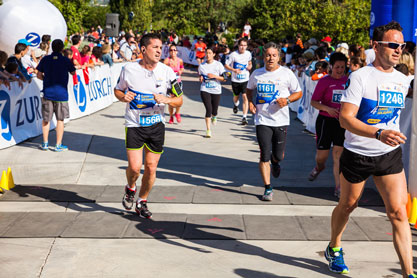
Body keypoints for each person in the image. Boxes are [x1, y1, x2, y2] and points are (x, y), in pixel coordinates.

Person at [325, 21, 416, 278]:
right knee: (348, 205)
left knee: (399, 212)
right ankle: (334, 247)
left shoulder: (402, 79)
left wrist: (386, 136)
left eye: (402, 45)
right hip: (358, 154)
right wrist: (379, 133)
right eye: (393, 45)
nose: (399, 50)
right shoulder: (360, 77)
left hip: (389, 155)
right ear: (376, 46)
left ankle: (408, 273)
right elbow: (346, 119)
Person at [114, 33, 183, 219]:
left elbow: (179, 100)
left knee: (151, 168)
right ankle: (130, 188)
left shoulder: (167, 72)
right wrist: (123, 97)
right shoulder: (129, 69)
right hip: (135, 124)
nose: (159, 50)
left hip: (156, 125)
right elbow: (118, 90)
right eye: (155, 47)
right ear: (143, 50)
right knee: (135, 168)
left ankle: (142, 201)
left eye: (161, 47)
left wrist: (168, 99)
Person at [247, 42, 302, 201]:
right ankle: (268, 188)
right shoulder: (257, 73)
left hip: (280, 121)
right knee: (264, 154)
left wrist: (287, 100)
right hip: (262, 119)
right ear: (263, 56)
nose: (271, 58)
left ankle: (275, 162)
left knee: (279, 155)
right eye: (268, 55)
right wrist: (251, 102)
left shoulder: (286, 74)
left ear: (279, 57)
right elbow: (249, 89)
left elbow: (298, 92)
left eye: (274, 55)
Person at [308, 52, 348, 198]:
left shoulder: (348, 81)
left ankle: (339, 187)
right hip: (325, 121)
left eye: (342, 67)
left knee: (338, 155)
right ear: (330, 66)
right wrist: (328, 109)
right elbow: (313, 102)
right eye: (337, 67)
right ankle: (319, 167)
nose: (339, 70)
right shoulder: (324, 81)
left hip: (341, 122)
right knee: (322, 157)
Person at [36, 39, 76, 152]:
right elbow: (73, 72)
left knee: (46, 119)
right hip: (61, 94)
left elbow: (38, 74)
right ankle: (58, 145)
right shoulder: (65, 60)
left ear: (52, 47)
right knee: (60, 120)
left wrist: (47, 79)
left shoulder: (46, 59)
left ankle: (44, 143)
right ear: (62, 48)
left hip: (48, 92)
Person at [198, 46, 226, 138]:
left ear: (214, 54)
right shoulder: (202, 66)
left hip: (216, 90)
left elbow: (224, 79)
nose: (207, 55)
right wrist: (201, 78)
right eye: (206, 53)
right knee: (208, 110)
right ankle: (208, 130)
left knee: (214, 111)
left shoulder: (218, 65)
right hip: (205, 89)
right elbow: (201, 76)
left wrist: (214, 76)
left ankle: (215, 116)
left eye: (210, 53)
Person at [225, 37, 252, 125]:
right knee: (236, 97)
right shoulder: (233, 55)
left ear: (247, 46)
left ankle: (244, 117)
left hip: (245, 79)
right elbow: (226, 65)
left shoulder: (248, 53)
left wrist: (250, 66)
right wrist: (234, 70)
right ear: (238, 45)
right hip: (235, 79)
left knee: (245, 96)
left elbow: (250, 62)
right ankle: (236, 104)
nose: (242, 47)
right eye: (241, 45)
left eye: (244, 45)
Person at [164, 44, 184, 124]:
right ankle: (171, 116)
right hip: (169, 83)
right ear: (169, 52)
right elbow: (162, 69)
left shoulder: (180, 60)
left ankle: (177, 113)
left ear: (177, 51)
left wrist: (181, 71)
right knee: (171, 101)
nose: (173, 52)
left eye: (174, 50)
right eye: (171, 50)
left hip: (178, 82)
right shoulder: (167, 60)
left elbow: (182, 67)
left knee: (178, 99)